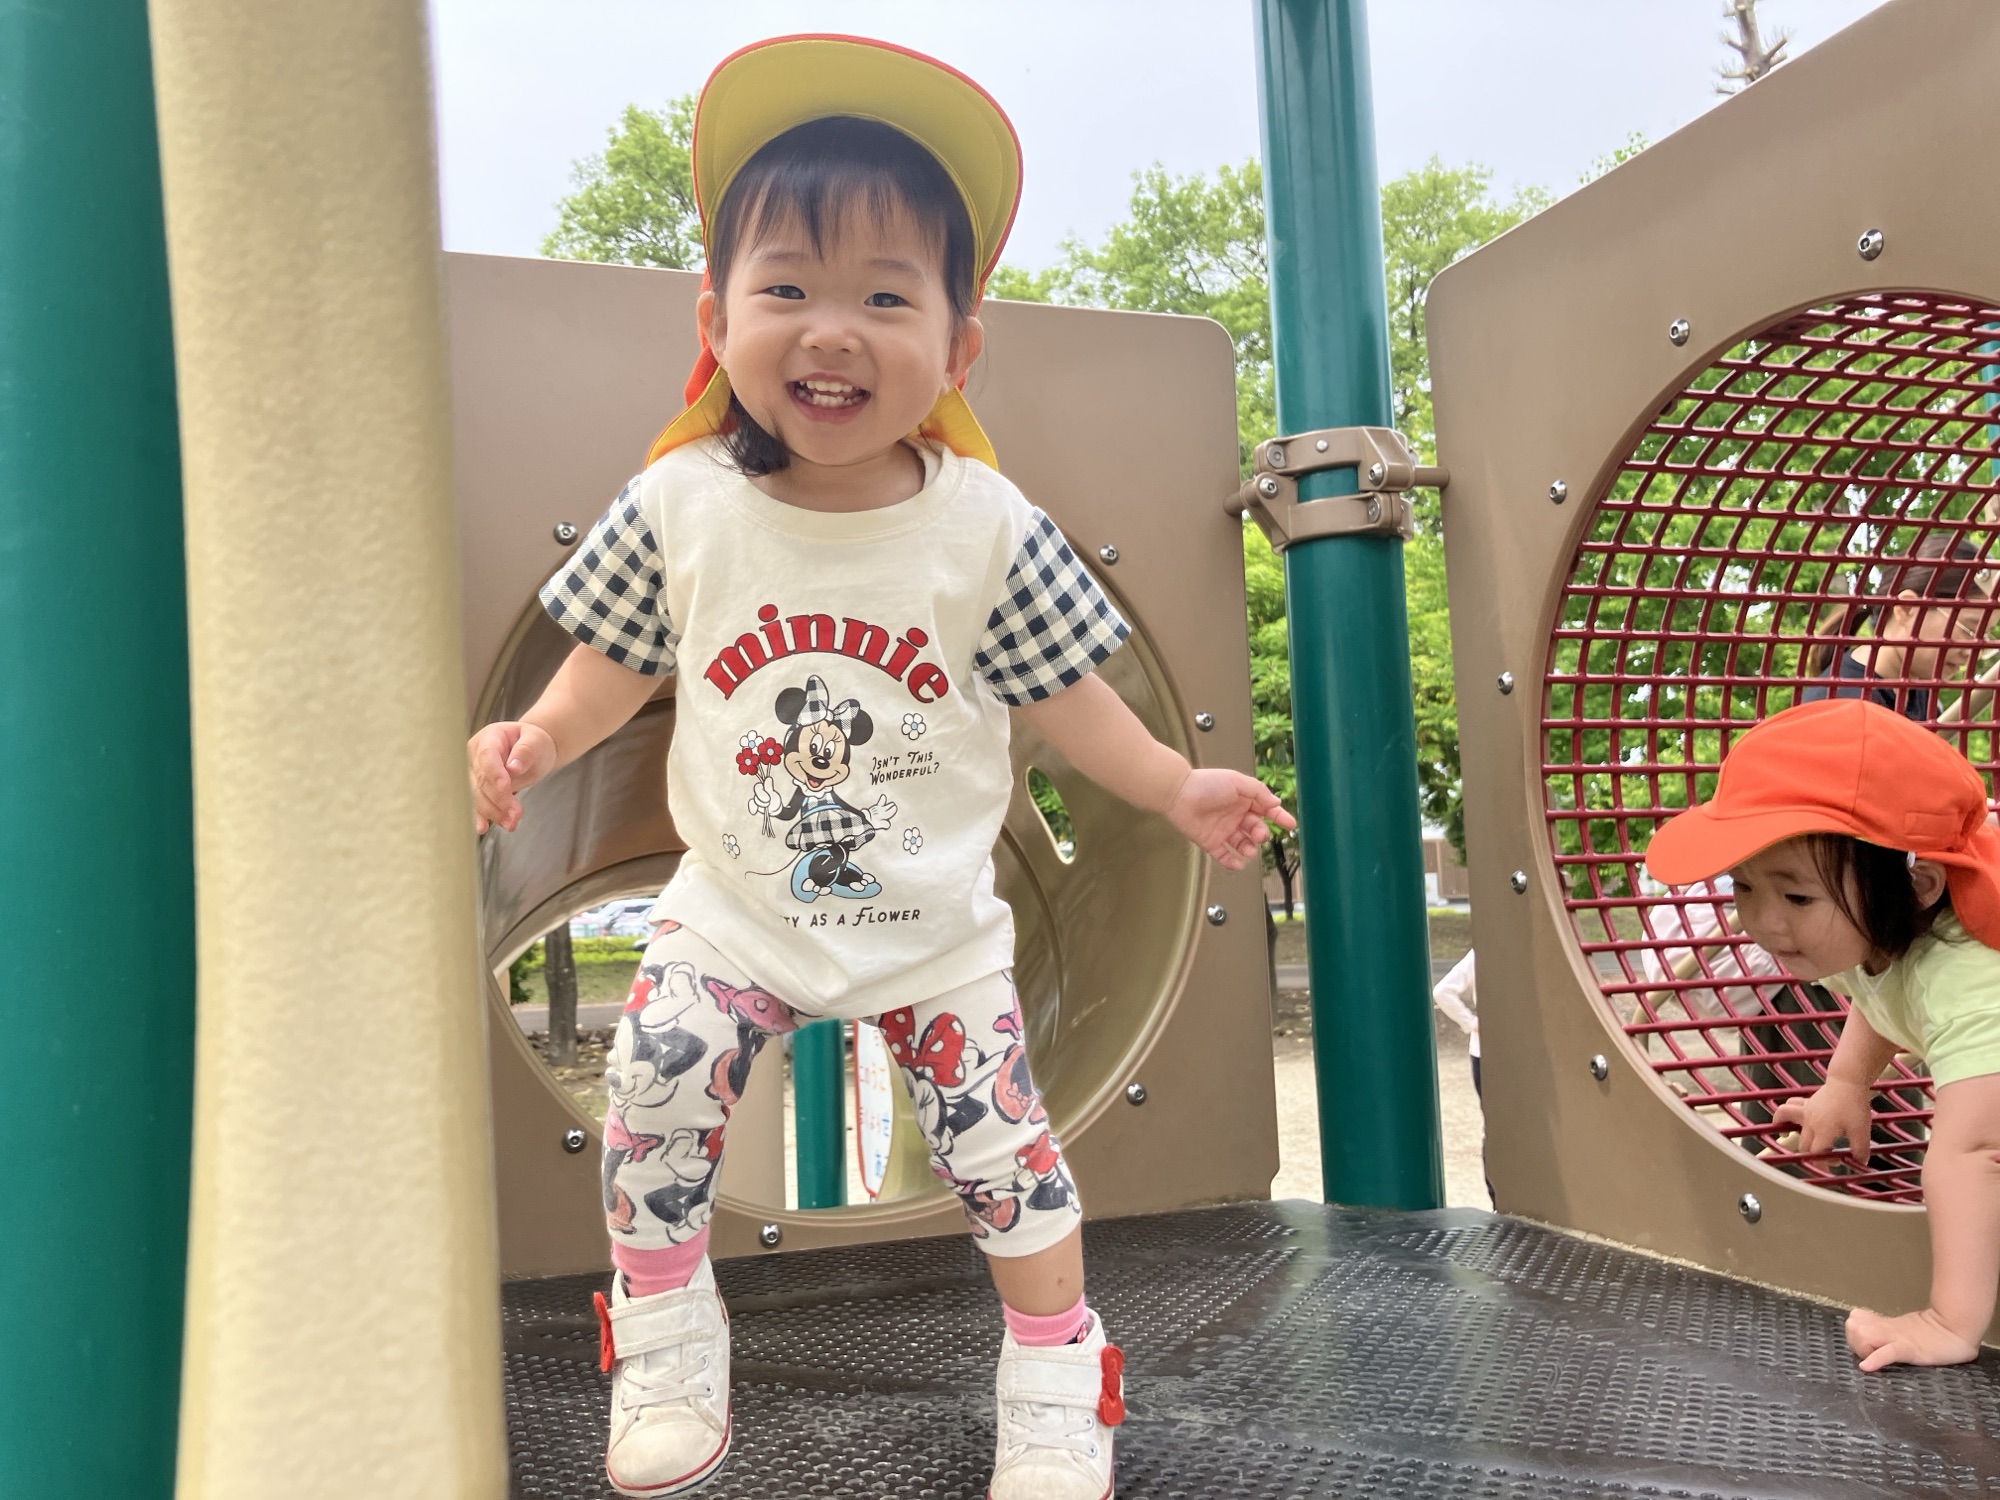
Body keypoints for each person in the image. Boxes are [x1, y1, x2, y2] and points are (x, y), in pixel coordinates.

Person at [466, 35, 1292, 1498]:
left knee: (1006, 1158)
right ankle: (664, 1335)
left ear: (961, 348)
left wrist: (1175, 786)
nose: (831, 332)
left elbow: (1070, 700)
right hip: (733, 910)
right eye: (787, 290)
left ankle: (1058, 1370)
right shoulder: (681, 504)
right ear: (717, 320)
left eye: (886, 298)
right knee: (655, 1084)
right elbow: (608, 667)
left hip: (934, 934)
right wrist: (533, 737)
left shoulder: (985, 527)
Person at [1646, 697, 2000, 1371]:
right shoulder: (1868, 930)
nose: (1765, 922)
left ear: (1919, 883)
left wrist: (1950, 1320)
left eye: (1797, 897)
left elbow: (1977, 1151)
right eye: (1743, 887)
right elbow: (1881, 992)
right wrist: (1846, 1083)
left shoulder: (1970, 971)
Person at [1801, 533, 1993, 724]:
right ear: (1908, 608)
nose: (1972, 652)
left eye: (1984, 637)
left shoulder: (1920, 693)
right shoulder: (1845, 708)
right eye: (1970, 630)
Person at [1430, 949, 1493, 1203]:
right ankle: (1496, 1193)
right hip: (1486, 1052)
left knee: (1495, 1125)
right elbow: (1442, 991)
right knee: (1495, 1125)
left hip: (1488, 1052)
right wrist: (1471, 1023)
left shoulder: (1483, 952)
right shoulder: (1481, 953)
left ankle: (1498, 1194)